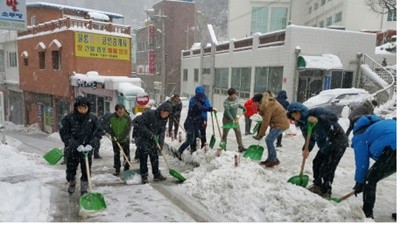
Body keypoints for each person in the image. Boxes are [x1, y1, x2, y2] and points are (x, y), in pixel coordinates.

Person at [287, 101, 348, 198]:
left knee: (328, 166)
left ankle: (326, 191)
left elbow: (333, 117)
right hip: (325, 144)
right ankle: (318, 186)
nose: (294, 117)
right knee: (317, 163)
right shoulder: (303, 124)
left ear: (299, 111)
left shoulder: (316, 112)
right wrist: (306, 149)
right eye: (292, 116)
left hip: (337, 140)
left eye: (294, 114)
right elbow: (309, 139)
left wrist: (318, 119)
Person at [351, 115, 396, 219]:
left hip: (394, 149)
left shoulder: (361, 135)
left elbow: (362, 162)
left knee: (369, 179)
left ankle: (367, 214)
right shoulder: (383, 124)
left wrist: (360, 182)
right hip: (393, 147)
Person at [59, 96, 103, 196]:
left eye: (85, 108)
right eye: (80, 108)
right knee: (70, 169)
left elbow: (98, 133)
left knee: (86, 170)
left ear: (88, 108)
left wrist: (91, 144)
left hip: (87, 149)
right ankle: (72, 182)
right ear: (76, 108)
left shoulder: (93, 119)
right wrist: (74, 144)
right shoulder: (69, 118)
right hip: (73, 149)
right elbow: (64, 134)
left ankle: (84, 189)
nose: (82, 110)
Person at [131, 101, 172, 184]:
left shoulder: (164, 119)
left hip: (153, 140)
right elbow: (141, 126)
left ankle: (156, 175)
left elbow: (162, 131)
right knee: (143, 158)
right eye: (165, 113)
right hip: (142, 138)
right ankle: (144, 176)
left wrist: (160, 143)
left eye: (168, 114)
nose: (166, 115)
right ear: (161, 110)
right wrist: (150, 134)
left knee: (155, 157)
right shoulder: (149, 114)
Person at [175, 86, 216, 160]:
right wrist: (210, 109)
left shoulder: (194, 100)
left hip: (194, 123)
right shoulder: (199, 103)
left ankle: (195, 150)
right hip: (192, 124)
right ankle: (180, 151)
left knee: (197, 136)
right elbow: (204, 108)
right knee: (192, 139)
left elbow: (202, 108)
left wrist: (210, 109)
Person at [252, 91, 290, 167]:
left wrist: (260, 135)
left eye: (255, 103)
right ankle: (270, 158)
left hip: (281, 124)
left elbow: (266, 121)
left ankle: (274, 160)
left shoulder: (268, 105)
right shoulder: (266, 103)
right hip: (276, 124)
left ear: (258, 101)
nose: (254, 104)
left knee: (269, 140)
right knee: (269, 140)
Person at [102, 104, 132, 176]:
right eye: (119, 112)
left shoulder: (127, 118)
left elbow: (128, 129)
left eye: (122, 111)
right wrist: (110, 132)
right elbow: (105, 124)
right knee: (116, 154)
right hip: (115, 139)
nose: (121, 113)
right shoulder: (111, 117)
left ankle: (126, 169)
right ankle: (117, 169)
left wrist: (122, 137)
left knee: (126, 154)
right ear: (116, 111)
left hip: (125, 139)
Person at [222, 88, 247, 152]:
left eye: (232, 95)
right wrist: (232, 119)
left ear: (235, 94)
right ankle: (223, 148)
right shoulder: (226, 102)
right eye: (230, 95)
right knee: (225, 134)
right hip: (227, 119)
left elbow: (238, 105)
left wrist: (243, 107)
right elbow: (227, 112)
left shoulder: (237, 98)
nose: (231, 97)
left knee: (238, 132)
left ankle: (241, 147)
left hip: (234, 118)